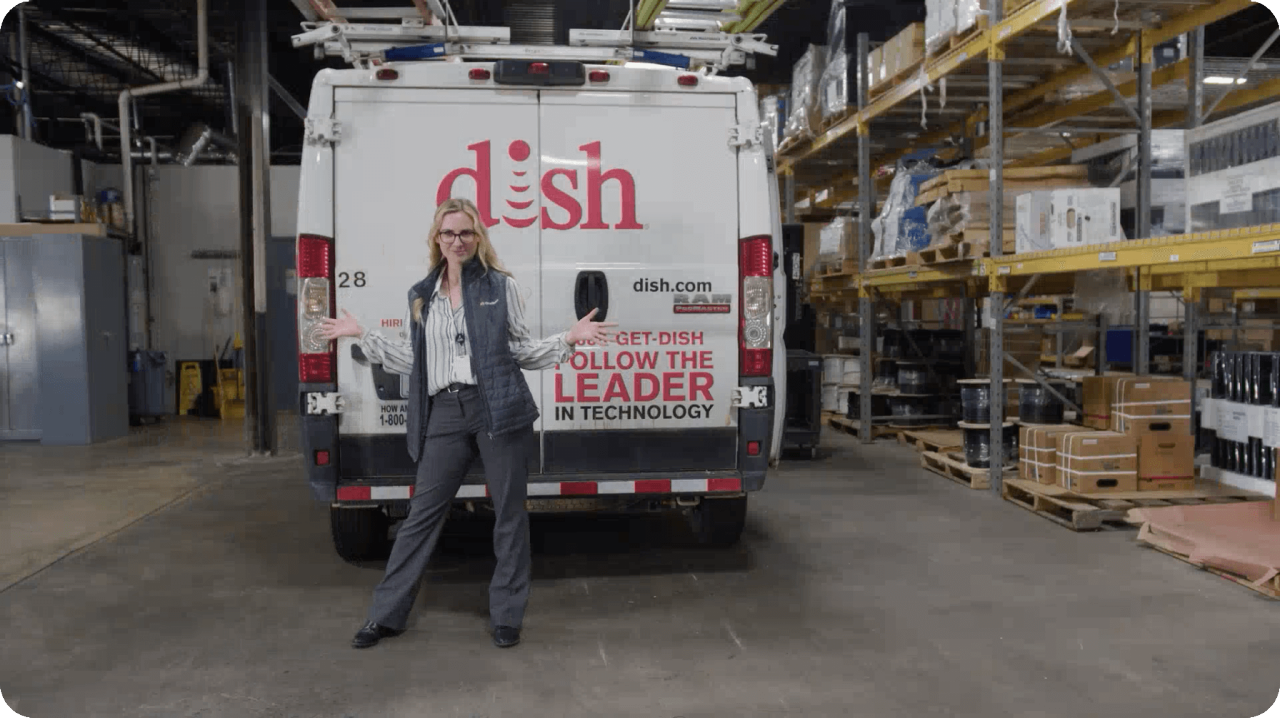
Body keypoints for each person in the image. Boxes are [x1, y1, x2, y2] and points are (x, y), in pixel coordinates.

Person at [319, 197, 617, 649]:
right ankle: (384, 615)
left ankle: (507, 615)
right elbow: (414, 360)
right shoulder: (421, 295)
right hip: (444, 411)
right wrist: (364, 335)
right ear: (436, 240)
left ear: (477, 237)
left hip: (497, 406)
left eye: (464, 233)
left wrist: (567, 341)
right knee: (421, 516)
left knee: (509, 515)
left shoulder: (500, 287)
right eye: (448, 233)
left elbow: (518, 350)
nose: (456, 241)